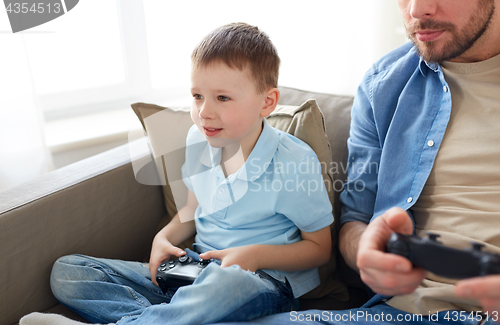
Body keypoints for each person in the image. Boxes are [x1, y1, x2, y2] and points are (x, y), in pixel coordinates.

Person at [20, 23, 334, 325]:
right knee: (67, 272)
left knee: (226, 286)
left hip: (261, 282)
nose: (204, 112)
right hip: (194, 268)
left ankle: (167, 316)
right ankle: (176, 315)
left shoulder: (292, 161)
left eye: (222, 98)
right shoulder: (198, 140)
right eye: (197, 96)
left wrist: (252, 256)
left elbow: (319, 250)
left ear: (267, 102)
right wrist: (162, 239)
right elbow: (191, 211)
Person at [213, 0, 500, 324]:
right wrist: (365, 251)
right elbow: (357, 218)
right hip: (398, 313)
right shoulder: (383, 85)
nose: (418, 9)